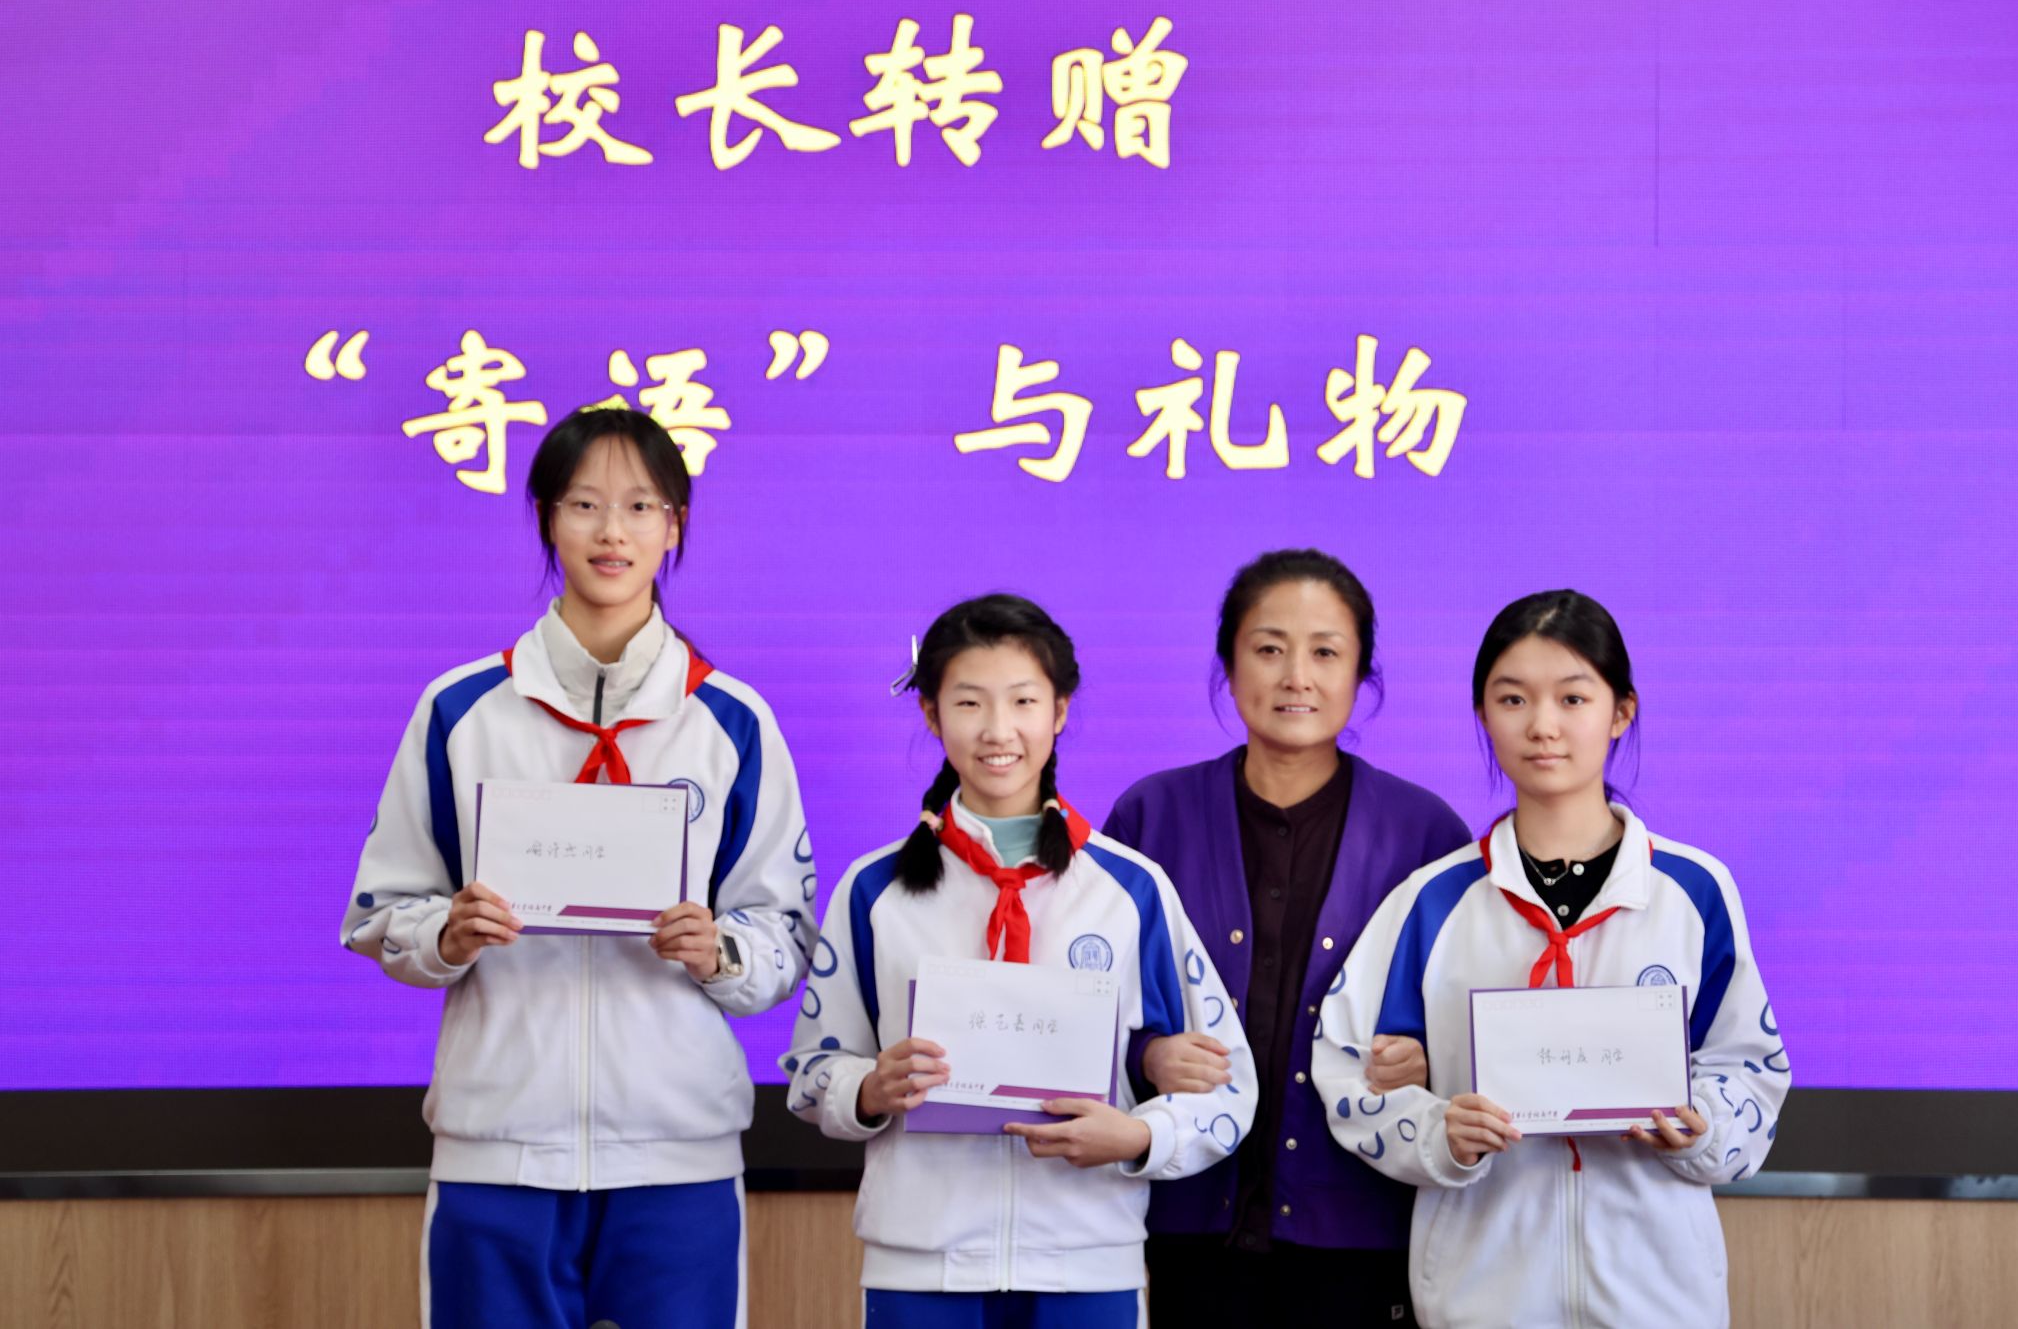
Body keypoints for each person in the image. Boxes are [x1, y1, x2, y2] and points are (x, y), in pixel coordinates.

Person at [342, 406, 817, 1329]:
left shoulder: (731, 722)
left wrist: (718, 951)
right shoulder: (462, 711)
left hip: (677, 1152)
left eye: (640, 506)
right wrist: (446, 934)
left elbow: (785, 936)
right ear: (547, 519)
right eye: (585, 504)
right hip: (498, 1147)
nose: (612, 531)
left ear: (674, 525)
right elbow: (379, 910)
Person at [1314, 589, 1790, 1329]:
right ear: (1482, 713)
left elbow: (1751, 1070)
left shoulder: (1693, 891)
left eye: (1573, 698)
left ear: (1621, 711)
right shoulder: (1434, 899)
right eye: (1513, 699)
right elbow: (1345, 1070)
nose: (1542, 725)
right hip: (1480, 1299)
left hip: (1659, 1299)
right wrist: (1439, 1131)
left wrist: (1703, 1127)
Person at [783, 593, 1257, 1329]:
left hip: (1087, 1257)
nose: (998, 730)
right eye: (969, 702)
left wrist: (1140, 1136)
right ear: (932, 715)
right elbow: (812, 1074)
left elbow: (1231, 1087)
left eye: (1024, 701)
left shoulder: (1129, 889)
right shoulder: (875, 890)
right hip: (920, 1260)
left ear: (1059, 712)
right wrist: (869, 1088)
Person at [1100, 548, 1470, 1323]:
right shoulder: (1150, 818)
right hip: (1187, 1219)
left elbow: (1467, 1017)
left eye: (1325, 652)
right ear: (1229, 666)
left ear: (1361, 673)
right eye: (1269, 648)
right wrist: (1146, 1056)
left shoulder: (1425, 833)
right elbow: (1094, 1005)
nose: (1296, 676)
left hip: (1361, 1229)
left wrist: (1431, 1058)